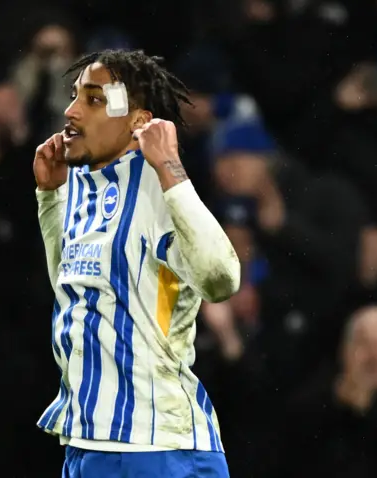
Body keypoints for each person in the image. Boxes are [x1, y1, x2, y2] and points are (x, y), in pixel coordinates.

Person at [33, 49, 240, 477]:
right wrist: (50, 200)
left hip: (156, 448)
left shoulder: (154, 189)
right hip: (86, 442)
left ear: (138, 121)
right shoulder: (81, 187)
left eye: (93, 100)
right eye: (74, 96)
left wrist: (168, 165)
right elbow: (72, 294)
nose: (70, 111)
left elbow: (221, 280)